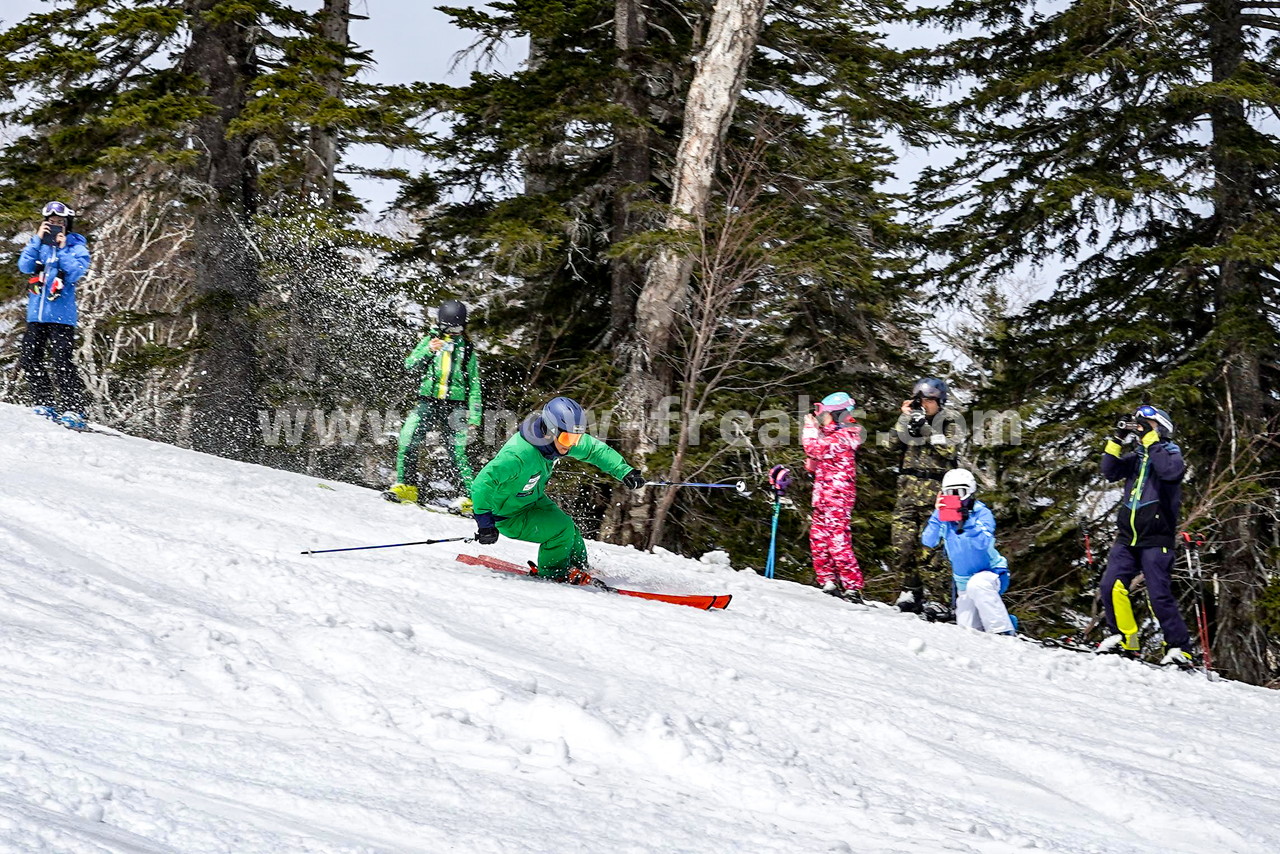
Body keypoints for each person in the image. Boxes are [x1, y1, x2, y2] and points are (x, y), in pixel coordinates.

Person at [471, 396, 646, 581]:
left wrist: (625, 471)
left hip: (531, 501)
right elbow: (483, 482)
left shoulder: (558, 442)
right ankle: (554, 573)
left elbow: (594, 450)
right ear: (550, 430)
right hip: (508, 516)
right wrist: (484, 522)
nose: (571, 444)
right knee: (560, 531)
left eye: (576, 437)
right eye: (568, 438)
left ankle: (579, 568)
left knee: (570, 529)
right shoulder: (519, 455)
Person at [1096, 405, 1193, 667]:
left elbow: (1169, 472)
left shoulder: (1172, 454)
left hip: (1156, 537)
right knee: (1110, 586)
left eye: (1146, 424)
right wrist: (1116, 439)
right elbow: (1109, 470)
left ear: (1160, 427)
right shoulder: (1137, 457)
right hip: (1127, 537)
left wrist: (1151, 438)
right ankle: (1124, 638)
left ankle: (1179, 647)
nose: (1140, 429)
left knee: (1158, 594)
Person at [386, 300, 483, 513]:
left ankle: (472, 499)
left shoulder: (467, 350)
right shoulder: (431, 340)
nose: (453, 333)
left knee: (457, 451)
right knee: (408, 438)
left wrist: (475, 415)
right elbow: (410, 364)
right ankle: (407, 486)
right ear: (440, 323)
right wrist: (429, 350)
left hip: (455, 407)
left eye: (458, 328)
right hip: (427, 402)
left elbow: (474, 384)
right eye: (449, 328)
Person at [16, 200, 93, 430]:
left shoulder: (75, 246)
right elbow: (25, 266)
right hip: (36, 316)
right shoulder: (39, 245)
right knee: (30, 359)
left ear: (68, 224)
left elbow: (77, 272)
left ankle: (74, 408)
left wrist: (62, 250)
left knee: (61, 362)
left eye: (60, 222)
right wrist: (37, 239)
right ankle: (44, 402)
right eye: (51, 222)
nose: (55, 226)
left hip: (61, 317)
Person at [891, 377, 964, 618]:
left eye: (929, 400)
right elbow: (890, 445)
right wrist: (905, 418)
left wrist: (925, 426)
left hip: (937, 493)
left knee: (933, 548)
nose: (924, 404)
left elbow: (949, 449)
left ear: (939, 401)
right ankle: (910, 591)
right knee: (902, 544)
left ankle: (939, 599)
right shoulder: (911, 419)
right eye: (920, 399)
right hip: (907, 491)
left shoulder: (950, 421)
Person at [922, 468, 1015, 635]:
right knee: (967, 629)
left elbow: (983, 541)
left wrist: (967, 521)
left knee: (978, 584)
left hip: (992, 573)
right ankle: (1009, 620)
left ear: (970, 492)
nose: (956, 497)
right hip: (963, 582)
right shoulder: (944, 518)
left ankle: (1003, 630)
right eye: (951, 492)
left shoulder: (981, 512)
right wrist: (937, 515)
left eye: (961, 492)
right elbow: (928, 541)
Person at [802, 392, 864, 602]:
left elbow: (814, 446)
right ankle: (827, 579)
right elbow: (820, 453)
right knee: (818, 538)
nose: (822, 420)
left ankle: (852, 586)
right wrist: (814, 463)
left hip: (837, 497)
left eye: (825, 415)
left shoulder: (846, 436)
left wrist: (810, 430)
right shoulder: (832, 436)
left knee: (838, 540)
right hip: (823, 496)